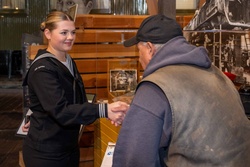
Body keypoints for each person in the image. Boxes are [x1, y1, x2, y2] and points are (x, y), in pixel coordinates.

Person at [112, 14, 250, 167]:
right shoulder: (218, 76)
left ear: (150, 49)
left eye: (139, 51)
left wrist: (142, 117)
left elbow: (133, 160)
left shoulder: (154, 87)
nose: (139, 59)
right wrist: (142, 117)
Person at [22, 11, 128, 167]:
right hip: (46, 154)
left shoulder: (67, 60)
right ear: (48, 33)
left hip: (68, 148)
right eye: (64, 32)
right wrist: (104, 110)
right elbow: (61, 111)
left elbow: (76, 101)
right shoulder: (43, 68)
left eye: (73, 32)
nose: (70, 37)